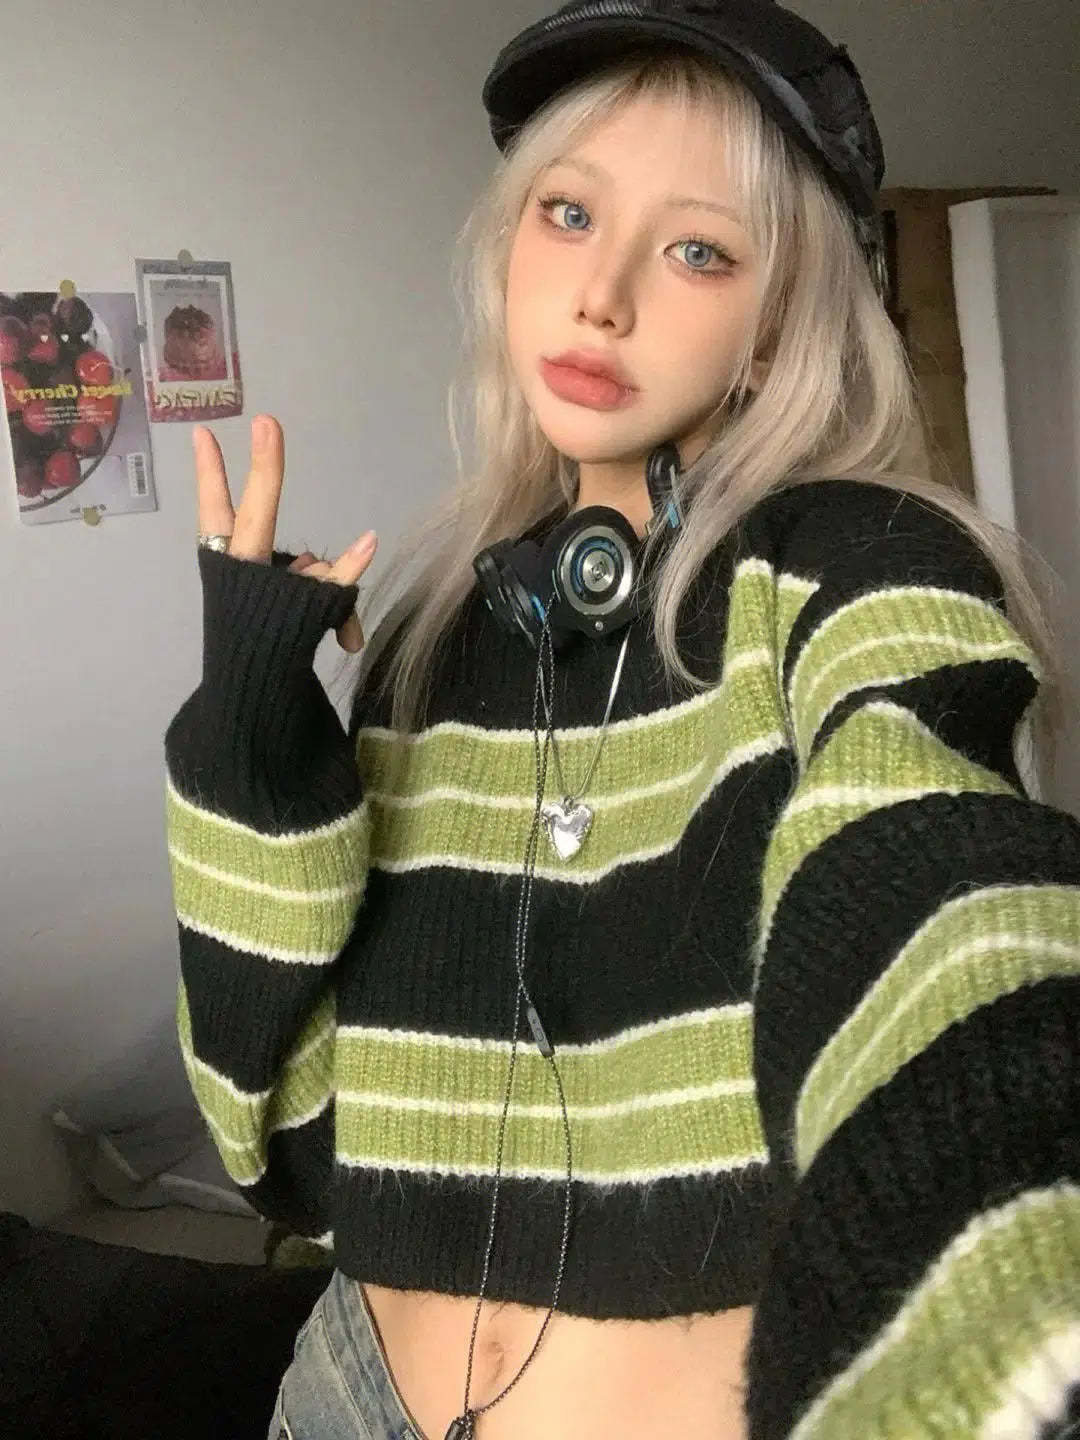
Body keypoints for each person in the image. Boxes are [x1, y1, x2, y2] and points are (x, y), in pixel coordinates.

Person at [163, 2, 1080, 1437]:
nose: (602, 294)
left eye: (698, 250)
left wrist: (997, 1323)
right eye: (570, 212)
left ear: (779, 321)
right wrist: (252, 720)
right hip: (345, 1393)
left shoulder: (859, 567)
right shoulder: (438, 633)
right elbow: (273, 1129)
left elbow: (936, 889)